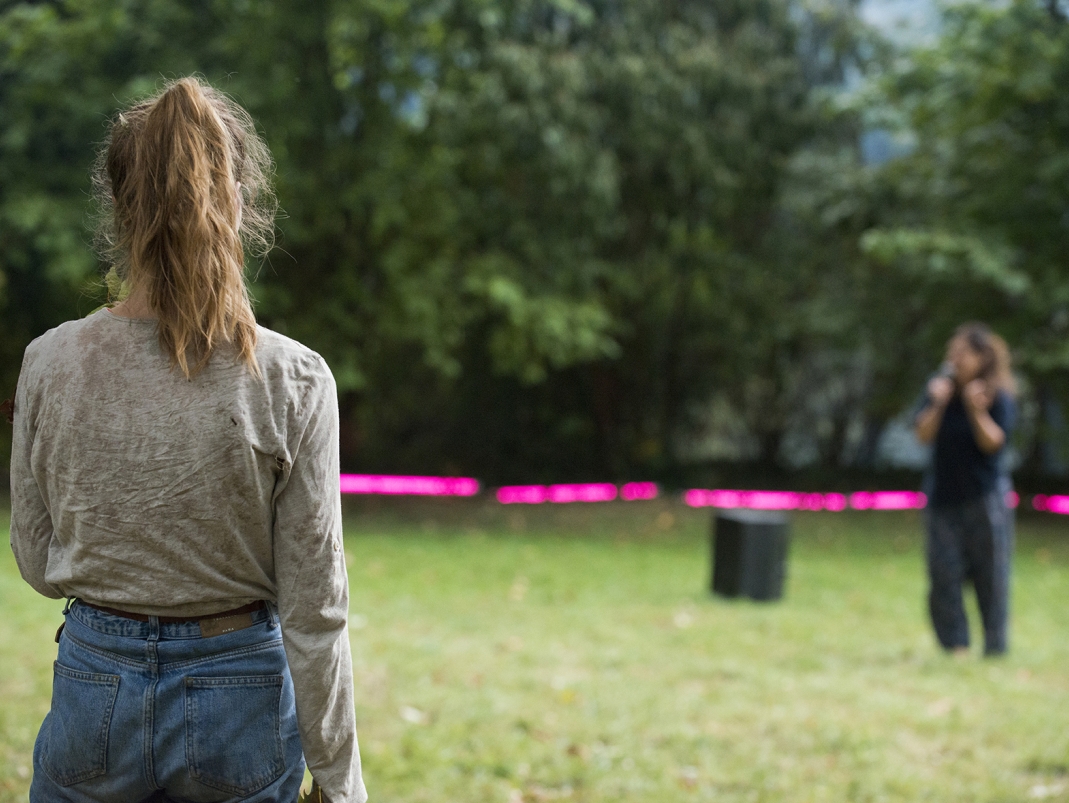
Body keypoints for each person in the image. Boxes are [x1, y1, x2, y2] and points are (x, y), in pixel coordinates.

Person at [8, 77, 366, 802]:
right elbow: (313, 609)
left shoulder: (49, 361)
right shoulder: (291, 377)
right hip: (239, 701)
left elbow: (41, 564)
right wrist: (339, 781)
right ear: (234, 205)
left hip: (92, 690)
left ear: (118, 207)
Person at [914, 322, 1017, 657]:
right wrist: (937, 404)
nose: (954, 358)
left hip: (985, 497)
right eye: (951, 352)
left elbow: (995, 443)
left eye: (962, 352)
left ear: (982, 357)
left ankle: (994, 645)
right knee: (943, 573)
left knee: (992, 575)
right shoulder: (938, 390)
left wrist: (976, 411)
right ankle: (955, 645)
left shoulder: (995, 394)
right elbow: (922, 435)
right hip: (943, 496)